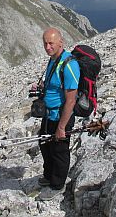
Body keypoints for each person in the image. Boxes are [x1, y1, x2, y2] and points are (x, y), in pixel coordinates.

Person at [36, 27, 80, 201]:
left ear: (61, 42)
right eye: (45, 43)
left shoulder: (69, 64)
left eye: (51, 43)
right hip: (49, 114)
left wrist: (62, 126)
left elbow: (71, 100)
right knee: (44, 144)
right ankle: (49, 176)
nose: (47, 47)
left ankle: (57, 185)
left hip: (61, 116)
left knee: (59, 150)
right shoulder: (53, 60)